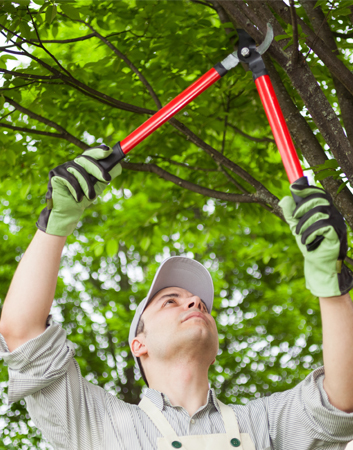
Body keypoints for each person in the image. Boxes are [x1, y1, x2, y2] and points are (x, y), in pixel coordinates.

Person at [1, 146, 353, 450]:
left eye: (199, 303)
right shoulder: (98, 425)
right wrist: (56, 222)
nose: (195, 303)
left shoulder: (267, 424)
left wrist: (330, 282)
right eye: (171, 300)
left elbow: (342, 396)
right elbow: (21, 332)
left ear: (216, 350)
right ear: (139, 344)